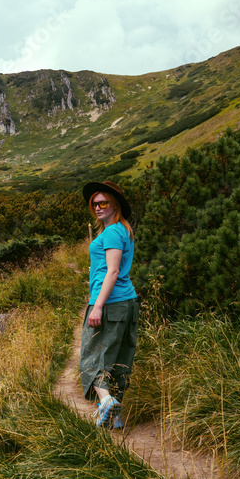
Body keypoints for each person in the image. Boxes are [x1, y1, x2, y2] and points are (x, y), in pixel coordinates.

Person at [80, 180, 139, 429]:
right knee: (119, 359)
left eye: (103, 202)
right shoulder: (121, 231)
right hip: (126, 302)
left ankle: (105, 402)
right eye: (94, 203)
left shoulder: (113, 231)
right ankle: (115, 417)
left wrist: (98, 306)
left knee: (92, 357)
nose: (98, 207)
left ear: (115, 205)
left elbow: (113, 272)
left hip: (111, 304)